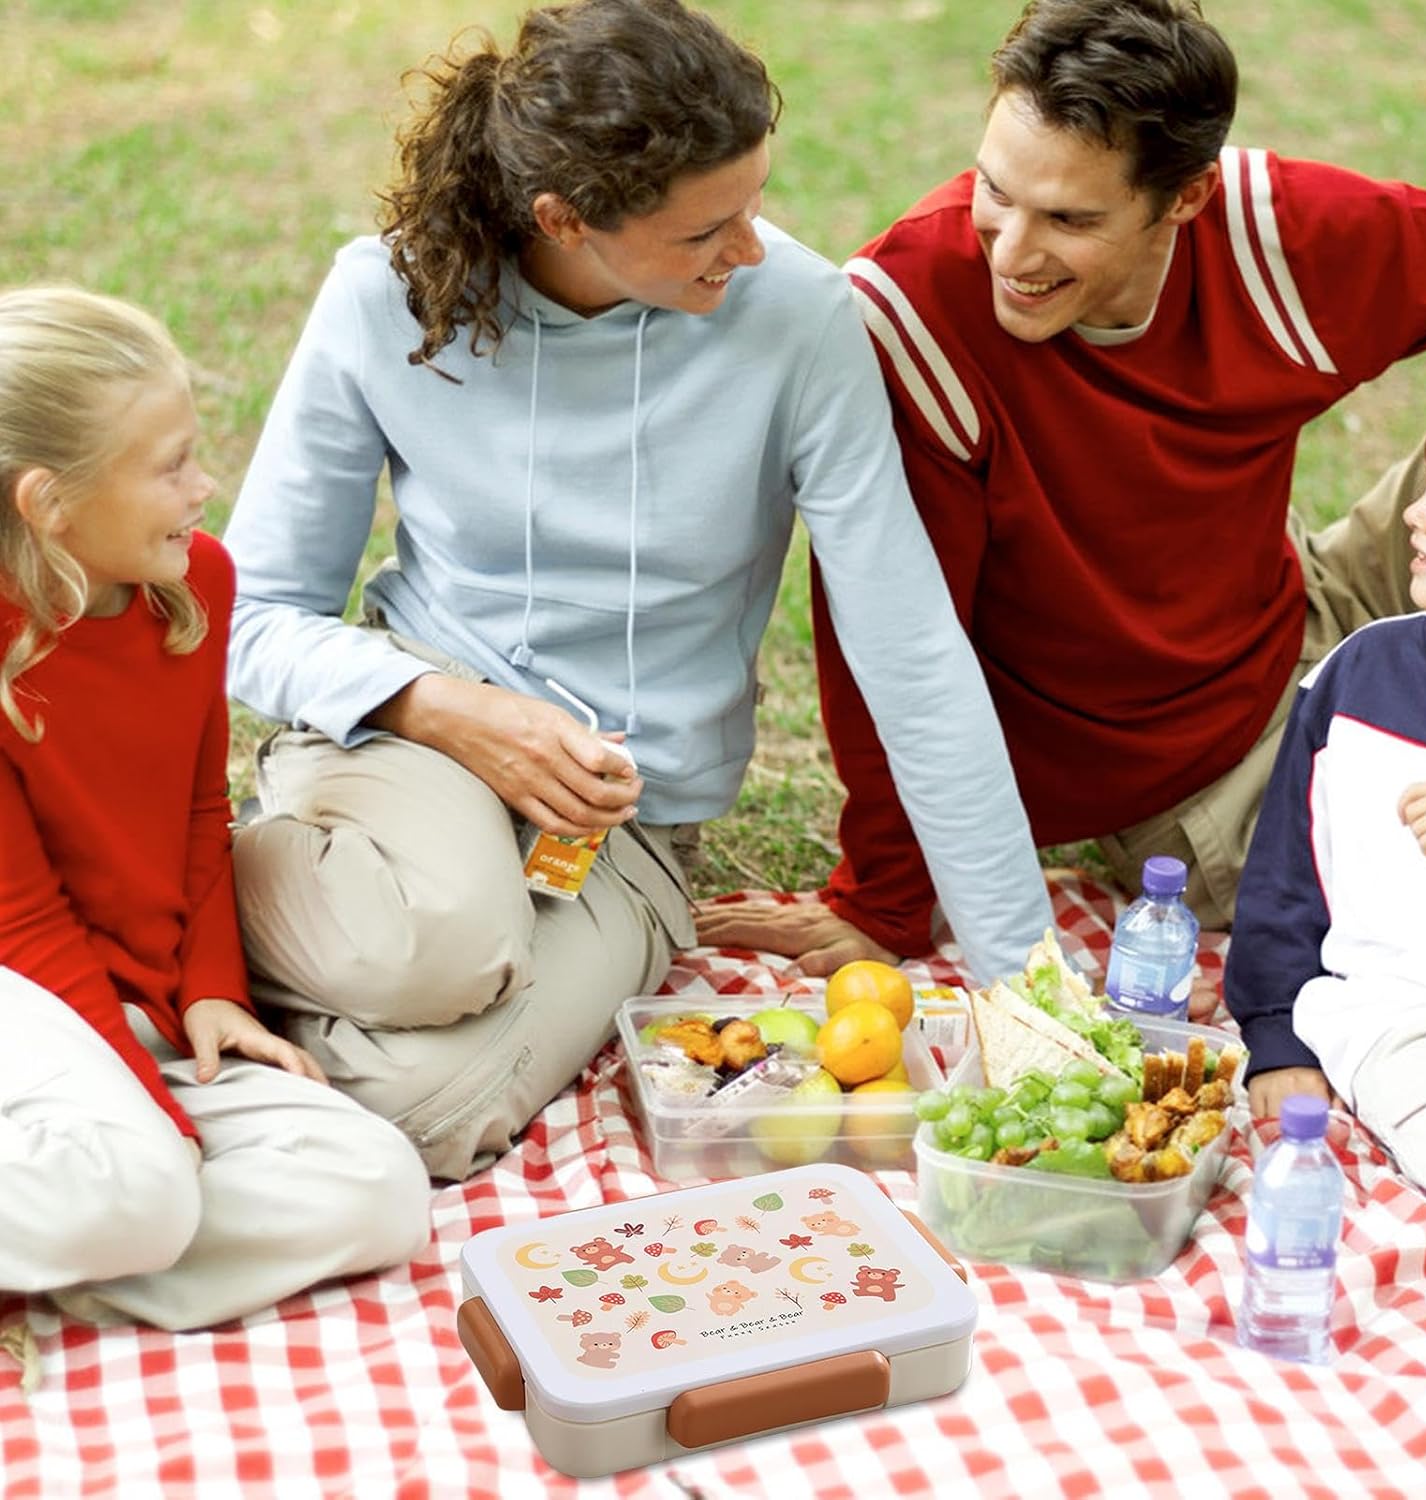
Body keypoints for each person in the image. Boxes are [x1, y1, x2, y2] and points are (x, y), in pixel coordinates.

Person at [224, 0, 1050, 1181]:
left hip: (623, 822)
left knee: (432, 1114)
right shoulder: (384, 298)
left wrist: (1026, 984)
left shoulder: (801, 321)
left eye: (754, 204)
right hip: (416, 733)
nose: (751, 249)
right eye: (706, 229)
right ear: (564, 218)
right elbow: (251, 615)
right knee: (439, 947)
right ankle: (185, 903)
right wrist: (441, 708)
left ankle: (248, 1003)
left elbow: (910, 649)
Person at [697, 0, 1426, 977]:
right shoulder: (916, 320)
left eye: (1070, 220)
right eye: (995, 191)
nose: (1010, 251)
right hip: (1190, 785)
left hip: (1301, 607)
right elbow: (894, 644)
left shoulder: (1279, 241)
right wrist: (886, 900)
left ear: (1186, 197)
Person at [0, 287, 430, 1331]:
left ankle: (77, 1247)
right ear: (49, 504)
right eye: (172, 466)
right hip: (26, 991)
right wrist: (160, 1125)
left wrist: (212, 991)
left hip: (132, 1005)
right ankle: (116, 1208)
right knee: (143, 1184)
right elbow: (22, 922)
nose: (206, 486)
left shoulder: (196, 580)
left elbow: (201, 813)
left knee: (379, 1189)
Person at [1224, 368, 1426, 1227]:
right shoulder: (1364, 678)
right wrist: (1276, 1034)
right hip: (1408, 1025)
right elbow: (1284, 879)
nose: (1415, 513)